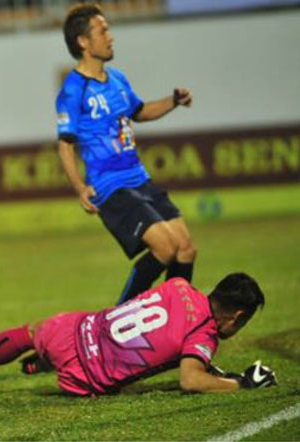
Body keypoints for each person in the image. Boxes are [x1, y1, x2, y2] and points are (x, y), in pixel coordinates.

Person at [55, 3, 196, 304]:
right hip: (110, 186)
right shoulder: (73, 89)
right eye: (103, 30)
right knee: (165, 248)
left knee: (185, 248)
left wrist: (173, 101)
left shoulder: (117, 79)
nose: (111, 37)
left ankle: (178, 322)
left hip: (139, 179)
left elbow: (140, 111)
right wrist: (80, 187)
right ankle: (116, 320)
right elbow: (65, 143)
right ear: (83, 42)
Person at [0, 273, 277, 398]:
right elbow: (190, 380)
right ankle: (45, 364)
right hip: (84, 376)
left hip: (78, 329)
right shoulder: (203, 336)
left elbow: (161, 327)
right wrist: (240, 383)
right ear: (237, 316)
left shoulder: (179, 286)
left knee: (28, 332)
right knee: (90, 362)